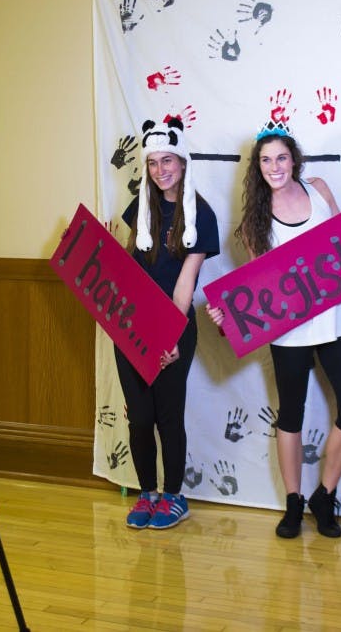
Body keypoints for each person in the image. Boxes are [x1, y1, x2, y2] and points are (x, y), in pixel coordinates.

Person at [209, 125, 341, 539]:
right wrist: (226, 313)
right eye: (266, 160)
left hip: (335, 320)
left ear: (294, 159)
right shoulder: (254, 222)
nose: (274, 166)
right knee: (290, 415)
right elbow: (257, 287)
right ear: (257, 167)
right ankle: (294, 501)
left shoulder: (319, 189)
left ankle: (325, 495)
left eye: (281, 158)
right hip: (289, 331)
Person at [115, 116, 219, 530]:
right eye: (154, 162)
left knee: (166, 416)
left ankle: (174, 495)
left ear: (183, 161)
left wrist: (171, 333)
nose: (161, 171)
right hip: (132, 325)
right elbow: (128, 268)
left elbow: (184, 286)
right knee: (139, 416)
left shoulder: (202, 214)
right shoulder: (140, 207)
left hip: (174, 327)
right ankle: (147, 494)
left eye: (168, 161)